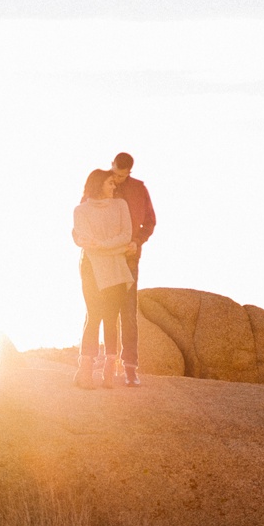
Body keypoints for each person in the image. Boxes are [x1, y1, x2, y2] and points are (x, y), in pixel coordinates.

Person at [72, 168, 135, 389]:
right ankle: (86, 370)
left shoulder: (120, 206)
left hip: (116, 268)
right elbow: (86, 240)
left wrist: (104, 246)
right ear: (98, 184)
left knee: (111, 317)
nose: (114, 186)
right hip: (92, 268)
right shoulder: (80, 211)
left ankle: (109, 371)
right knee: (94, 314)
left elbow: (126, 236)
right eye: (110, 183)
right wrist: (115, 248)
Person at [110, 152, 155, 387]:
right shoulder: (101, 183)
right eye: (115, 173)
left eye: (122, 175)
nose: (117, 179)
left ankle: (129, 368)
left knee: (128, 312)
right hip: (104, 257)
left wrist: (137, 241)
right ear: (112, 166)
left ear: (129, 172)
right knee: (102, 310)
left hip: (129, 257)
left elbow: (150, 221)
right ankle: (103, 362)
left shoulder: (139, 189)